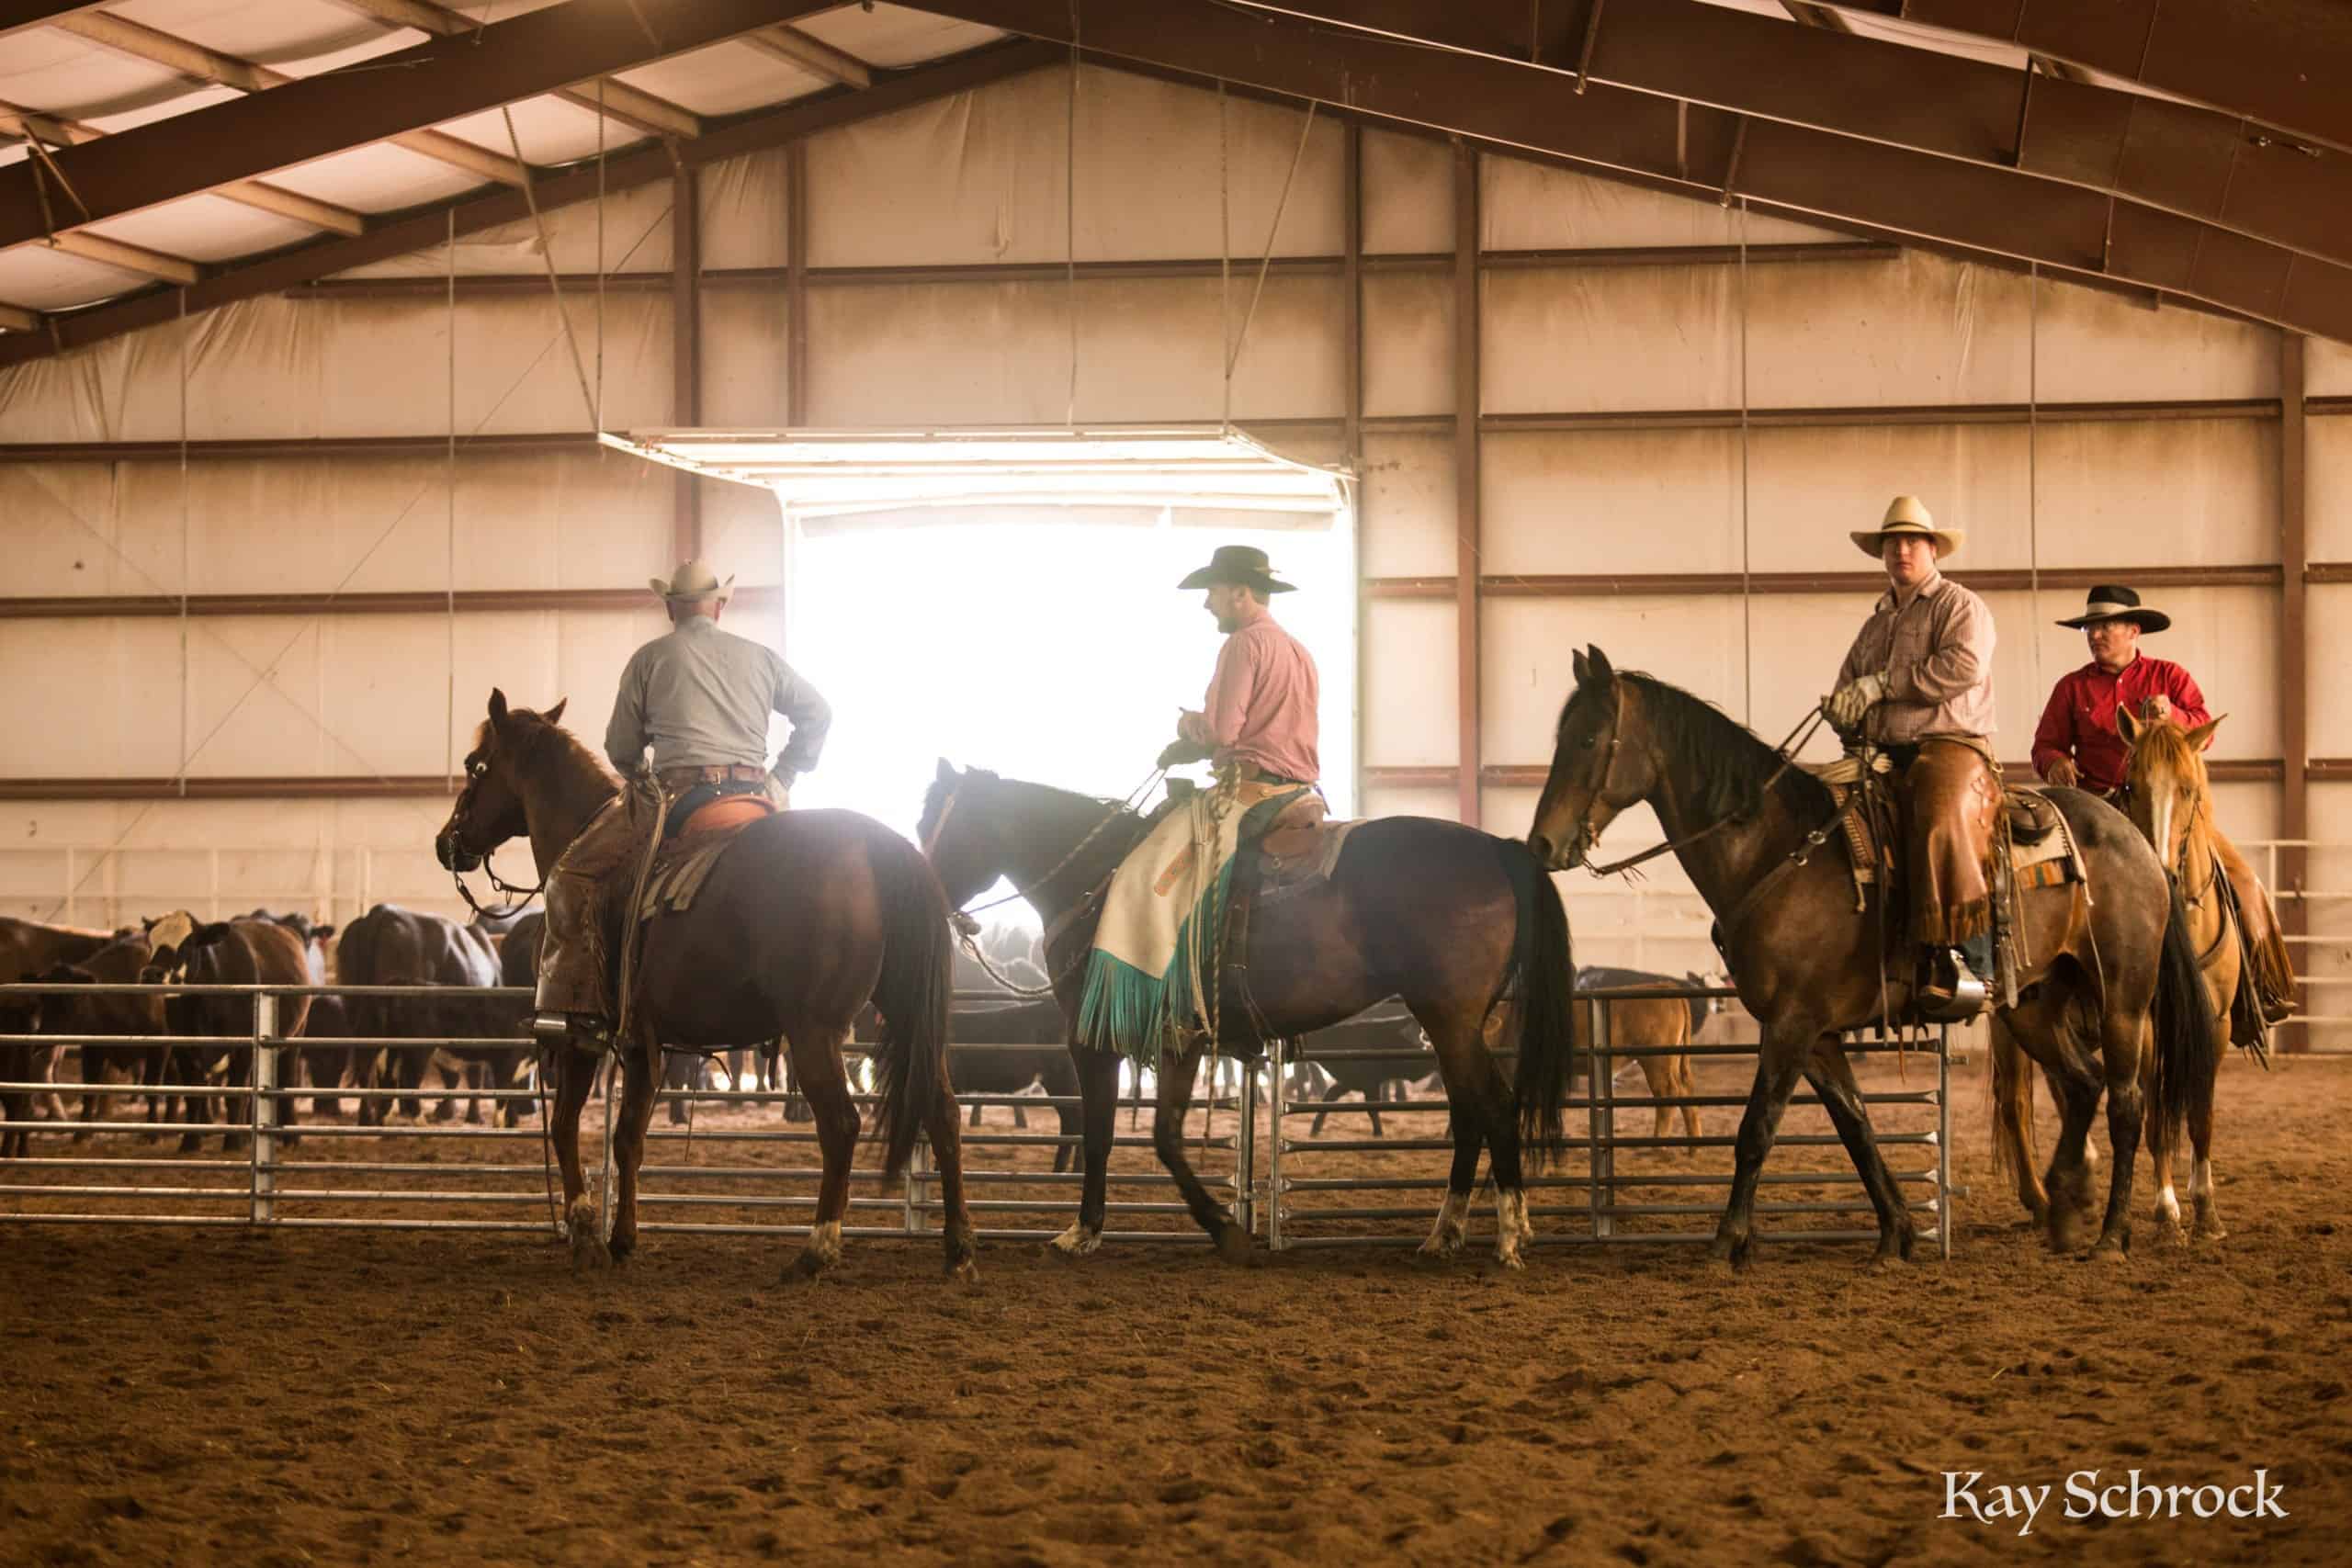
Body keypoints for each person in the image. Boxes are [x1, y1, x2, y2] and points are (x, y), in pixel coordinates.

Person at [530, 558, 831, 1047]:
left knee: (572, 876)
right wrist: (785, 774)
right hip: (756, 794)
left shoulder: (651, 658)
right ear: (719, 606)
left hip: (679, 797)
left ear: (671, 606)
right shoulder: (761, 657)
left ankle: (576, 1010)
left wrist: (640, 775)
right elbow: (818, 712)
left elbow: (620, 749)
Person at [2031, 584, 2293, 1032]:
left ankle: (2260, 988)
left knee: (2243, 879)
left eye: (2106, 626)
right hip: (2100, 812)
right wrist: (2055, 762)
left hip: (2169, 809)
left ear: (2134, 630)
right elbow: (2046, 744)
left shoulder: (2170, 678)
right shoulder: (2071, 688)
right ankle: (2045, 983)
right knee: (2049, 886)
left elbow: (2204, 732)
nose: (2096, 635)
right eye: (2091, 627)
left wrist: (2173, 718)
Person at [1822, 495, 1998, 1020]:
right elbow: (1850, 683)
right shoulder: (1875, 626)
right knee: (1819, 809)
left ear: (1931, 548)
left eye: (1912, 540)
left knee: (1939, 811)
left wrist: (1882, 685)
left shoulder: (1960, 606)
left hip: (1950, 744)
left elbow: (1963, 667)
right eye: (1892, 542)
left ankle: (1971, 955)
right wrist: (1842, 709)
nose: (1901, 549)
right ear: (1882, 553)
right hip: (1881, 752)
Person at [1157, 544, 1320, 787]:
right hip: (1297, 789)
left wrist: (1188, 724)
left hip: (1251, 786)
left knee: (1166, 824)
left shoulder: (1243, 642)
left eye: (1212, 592)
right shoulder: (1298, 650)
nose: (1207, 604)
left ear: (1240, 595)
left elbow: (1222, 733)